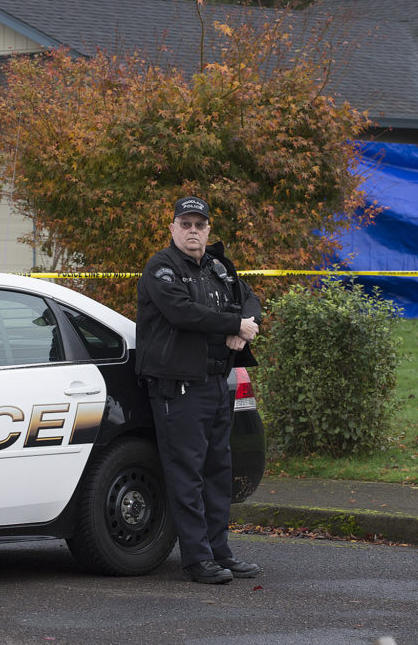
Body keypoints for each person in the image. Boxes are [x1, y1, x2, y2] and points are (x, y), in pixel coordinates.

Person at [136, 196, 263, 585]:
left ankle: (220, 553)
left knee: (217, 473)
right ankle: (196, 559)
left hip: (216, 383)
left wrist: (245, 326)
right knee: (187, 475)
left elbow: (251, 300)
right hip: (179, 388)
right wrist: (232, 325)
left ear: (209, 230)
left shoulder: (218, 268)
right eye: (185, 224)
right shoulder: (161, 268)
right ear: (172, 228)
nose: (193, 231)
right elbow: (182, 313)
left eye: (199, 225)